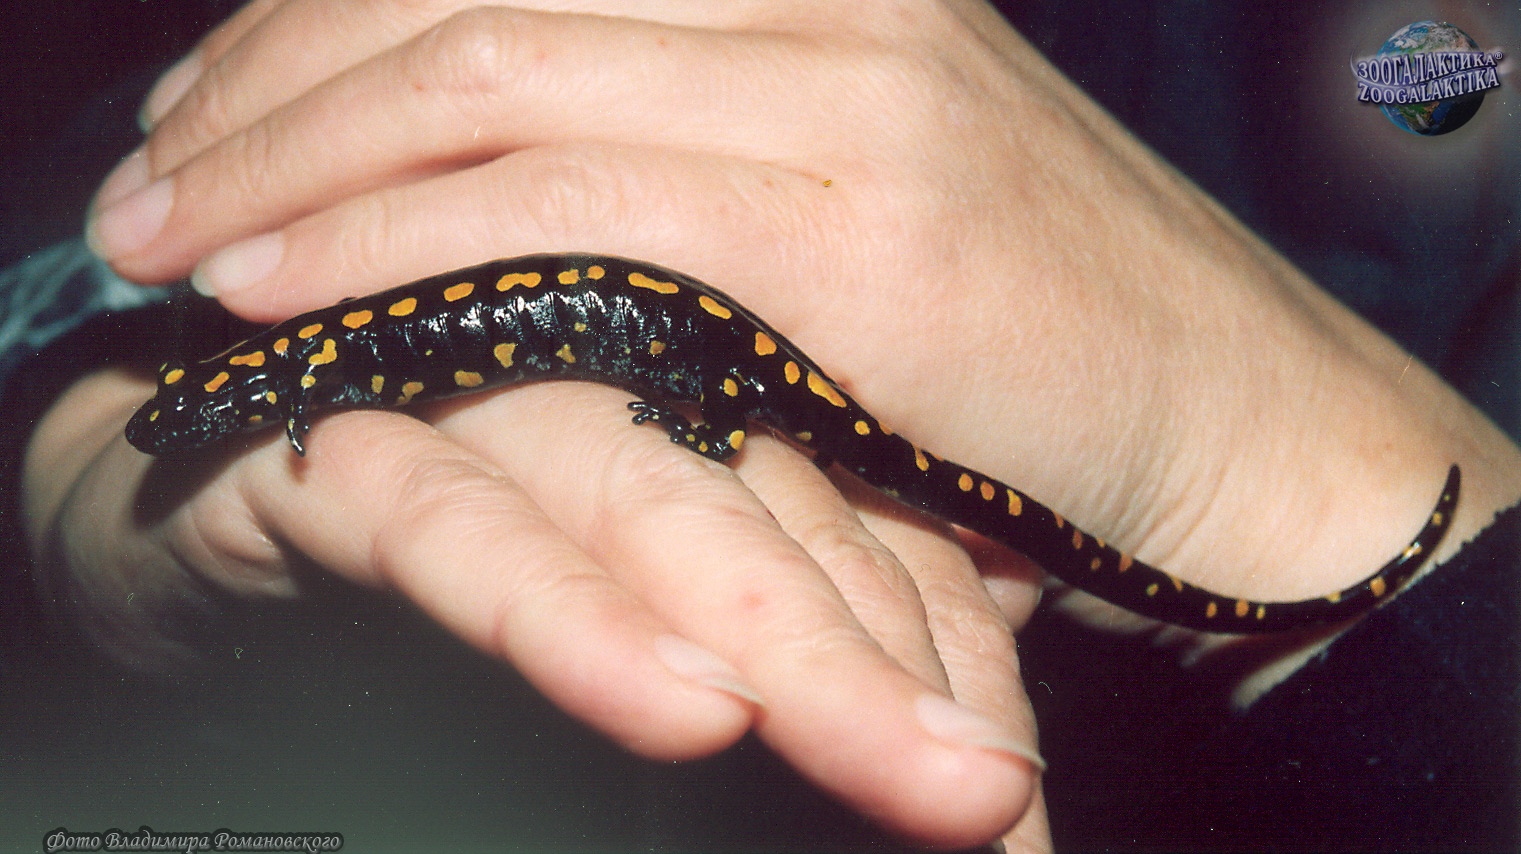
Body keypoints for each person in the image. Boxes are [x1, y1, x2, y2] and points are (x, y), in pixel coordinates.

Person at [4, 1, 1517, 850]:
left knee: (808, 437)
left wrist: (1279, 463)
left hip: (726, 365)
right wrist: (59, 384)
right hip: (692, 348)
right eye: (205, 407)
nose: (199, 419)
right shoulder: (301, 370)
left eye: (203, 410)